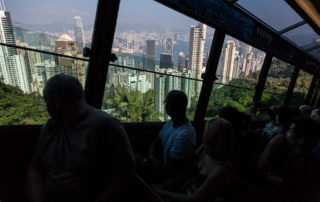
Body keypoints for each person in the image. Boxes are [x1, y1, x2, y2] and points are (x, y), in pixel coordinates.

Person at [26, 74, 136, 202]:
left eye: (46, 101)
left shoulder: (105, 126)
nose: (46, 107)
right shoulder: (51, 126)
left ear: (56, 101)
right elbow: (36, 169)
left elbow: (126, 171)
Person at [154, 118, 234, 202]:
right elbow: (187, 173)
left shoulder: (221, 169)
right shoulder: (205, 152)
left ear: (211, 137)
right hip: (186, 192)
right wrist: (164, 185)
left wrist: (163, 192)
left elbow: (194, 198)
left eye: (206, 133)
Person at [145, 90, 196, 182]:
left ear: (169, 108)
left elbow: (172, 170)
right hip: (161, 166)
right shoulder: (171, 123)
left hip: (168, 177)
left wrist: (151, 161)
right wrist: (151, 154)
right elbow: (158, 139)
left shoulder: (183, 136)